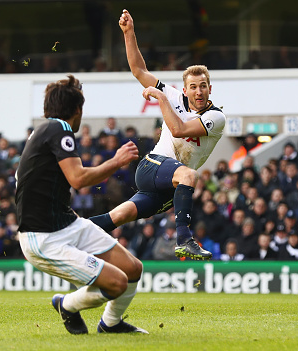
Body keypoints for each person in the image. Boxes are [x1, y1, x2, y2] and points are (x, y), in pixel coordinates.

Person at [90, 9, 226, 261]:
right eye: (193, 87)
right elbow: (139, 70)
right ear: (185, 89)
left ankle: (72, 233)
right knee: (189, 173)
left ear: (210, 88)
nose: (198, 92)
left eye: (203, 86)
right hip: (153, 166)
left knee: (117, 217)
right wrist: (129, 33)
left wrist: (160, 98)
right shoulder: (174, 96)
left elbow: (179, 130)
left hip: (170, 185)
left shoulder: (216, 117)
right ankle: (185, 240)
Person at [16, 75, 146, 334]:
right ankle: (66, 304)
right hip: (43, 238)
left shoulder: (42, 132)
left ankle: (111, 324)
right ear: (77, 109)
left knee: (133, 268)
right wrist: (116, 161)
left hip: (67, 223)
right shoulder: (59, 129)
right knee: (117, 283)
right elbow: (78, 179)